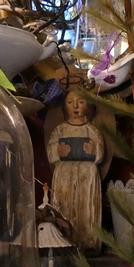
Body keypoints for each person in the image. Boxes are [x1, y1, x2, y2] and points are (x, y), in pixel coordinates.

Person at [46, 90, 104, 253]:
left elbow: (100, 154)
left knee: (86, 208)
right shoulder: (59, 130)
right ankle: (64, 243)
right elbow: (51, 151)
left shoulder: (92, 131)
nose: (76, 106)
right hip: (65, 174)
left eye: (81, 101)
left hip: (87, 174)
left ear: (88, 106)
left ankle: (88, 244)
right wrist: (58, 151)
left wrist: (94, 150)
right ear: (65, 106)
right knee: (65, 206)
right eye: (70, 102)